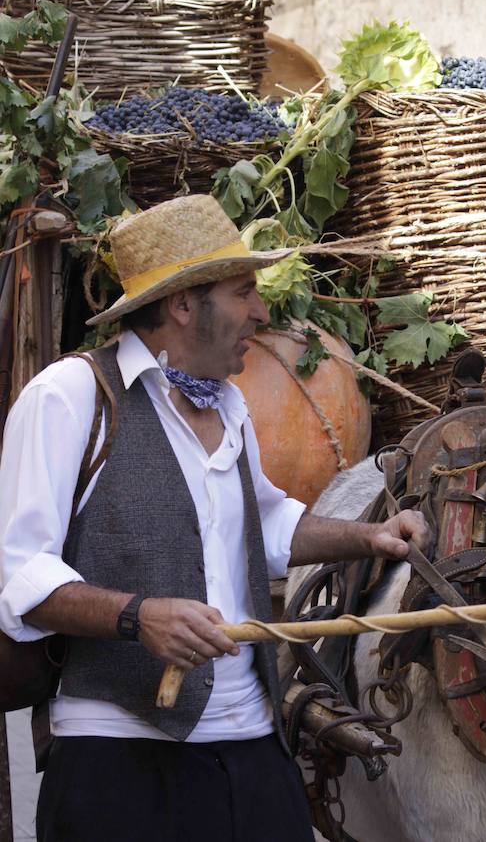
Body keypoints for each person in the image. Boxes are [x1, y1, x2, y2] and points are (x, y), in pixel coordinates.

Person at [0, 195, 429, 842]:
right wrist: (137, 616)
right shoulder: (70, 397)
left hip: (255, 749)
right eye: (243, 293)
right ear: (182, 304)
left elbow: (266, 531)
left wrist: (369, 536)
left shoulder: (230, 406)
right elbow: (21, 579)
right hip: (119, 759)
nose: (261, 313)